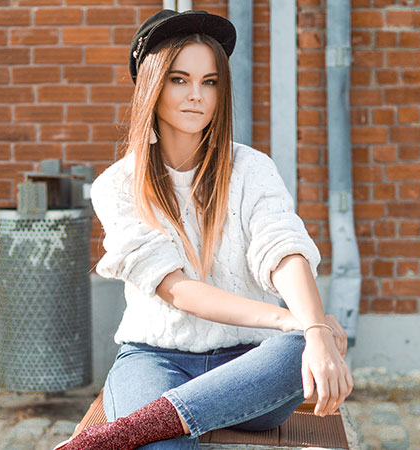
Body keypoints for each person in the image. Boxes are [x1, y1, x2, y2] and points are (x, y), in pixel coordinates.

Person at [56, 8, 353, 450]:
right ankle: (156, 425)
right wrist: (293, 320)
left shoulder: (251, 169)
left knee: (299, 346)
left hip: (248, 365)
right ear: (152, 86)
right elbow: (175, 289)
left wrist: (311, 329)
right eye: (179, 79)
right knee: (163, 445)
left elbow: (283, 248)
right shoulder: (117, 185)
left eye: (209, 82)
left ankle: (130, 430)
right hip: (154, 358)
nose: (196, 95)